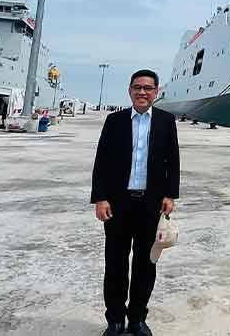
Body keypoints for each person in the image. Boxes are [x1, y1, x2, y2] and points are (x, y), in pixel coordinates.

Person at [91, 69, 180, 336]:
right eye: (137, 87)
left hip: (150, 205)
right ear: (130, 91)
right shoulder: (114, 121)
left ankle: (138, 319)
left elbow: (172, 161)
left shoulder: (166, 121)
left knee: (146, 264)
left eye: (148, 88)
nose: (142, 92)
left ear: (156, 92)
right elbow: (102, 161)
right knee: (115, 264)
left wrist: (169, 195)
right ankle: (115, 320)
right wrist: (100, 198)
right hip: (117, 205)